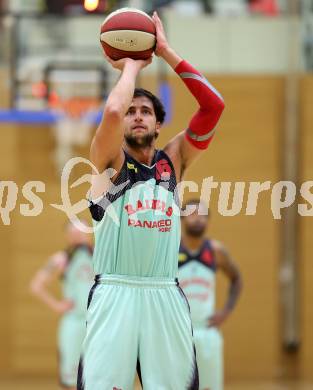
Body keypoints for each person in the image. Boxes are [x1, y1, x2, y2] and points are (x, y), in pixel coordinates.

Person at [79, 11, 224, 389]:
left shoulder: (173, 160)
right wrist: (131, 66)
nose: (137, 116)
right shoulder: (107, 161)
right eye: (132, 112)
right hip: (115, 292)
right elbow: (111, 110)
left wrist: (167, 52)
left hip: (166, 293)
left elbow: (214, 107)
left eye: (146, 112)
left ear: (159, 124)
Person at [178, 199, 242, 390]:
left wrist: (226, 311)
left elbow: (236, 279)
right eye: (193, 213)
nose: (198, 218)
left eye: (203, 215)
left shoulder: (216, 251)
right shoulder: (170, 249)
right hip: (179, 331)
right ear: (181, 217)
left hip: (207, 331)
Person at [30, 221, 94, 390]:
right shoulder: (61, 259)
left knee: (98, 377)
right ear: (68, 236)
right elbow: (36, 286)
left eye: (82, 232)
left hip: (97, 323)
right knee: (72, 379)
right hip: (74, 322)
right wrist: (57, 305)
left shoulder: (101, 257)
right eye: (75, 233)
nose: (79, 236)